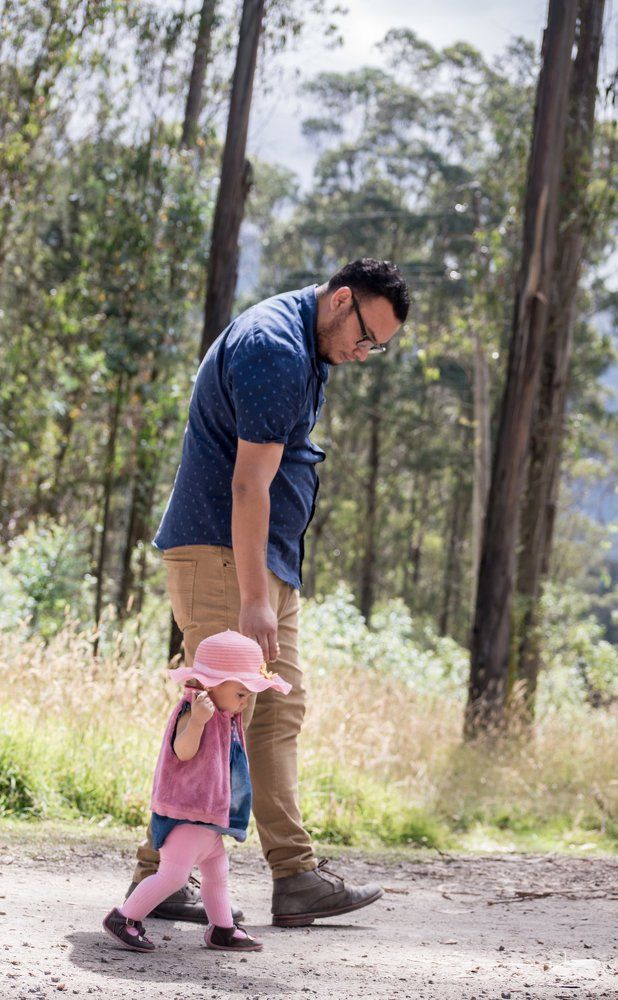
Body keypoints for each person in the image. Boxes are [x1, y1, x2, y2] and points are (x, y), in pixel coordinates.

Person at [127, 257, 410, 927]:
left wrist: (270, 584)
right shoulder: (274, 348)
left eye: (378, 348)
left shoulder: (309, 347)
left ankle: (295, 876)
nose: (364, 354)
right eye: (365, 336)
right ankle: (158, 873)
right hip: (226, 559)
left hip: (260, 562)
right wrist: (255, 598)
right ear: (341, 300)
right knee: (216, 714)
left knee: (278, 713)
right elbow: (249, 484)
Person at [104, 630, 291, 953]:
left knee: (217, 872)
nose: (245, 701)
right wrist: (198, 723)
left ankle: (222, 929)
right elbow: (184, 751)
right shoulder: (193, 711)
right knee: (174, 875)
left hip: (206, 816)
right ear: (211, 683)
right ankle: (123, 918)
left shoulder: (224, 714)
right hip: (184, 814)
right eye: (242, 693)